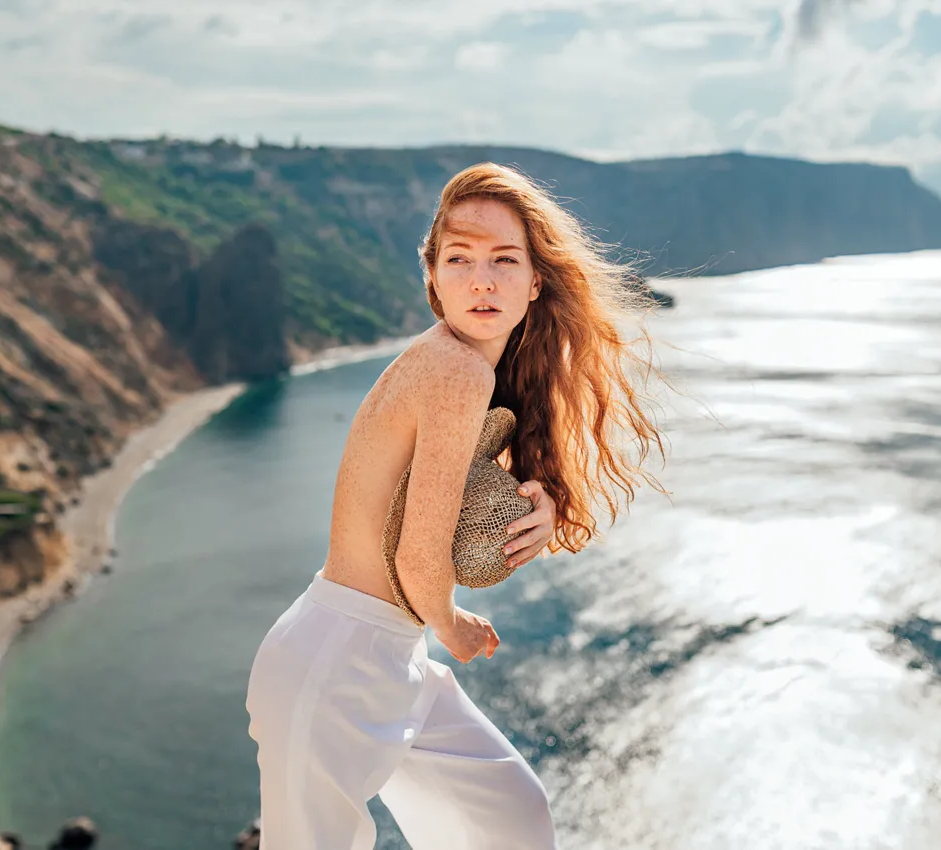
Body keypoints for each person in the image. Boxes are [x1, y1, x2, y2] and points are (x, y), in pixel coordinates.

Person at [245, 162, 670, 849]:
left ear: (536, 281)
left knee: (509, 820)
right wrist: (455, 627)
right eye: (460, 259)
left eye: (505, 260)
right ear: (433, 277)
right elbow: (418, 552)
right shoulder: (456, 369)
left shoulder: (472, 372)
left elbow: (445, 499)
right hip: (336, 662)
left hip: (386, 654)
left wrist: (544, 508)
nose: (481, 279)